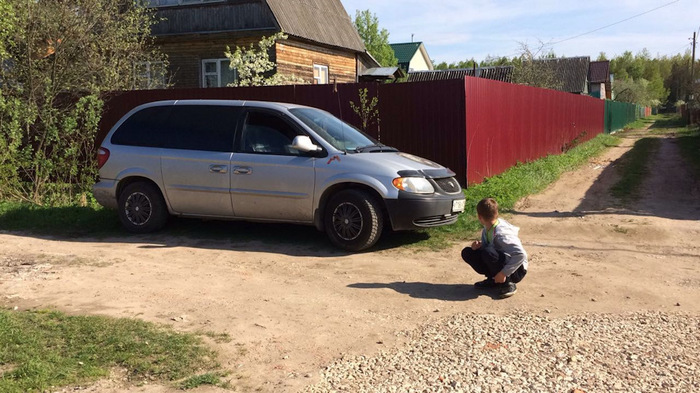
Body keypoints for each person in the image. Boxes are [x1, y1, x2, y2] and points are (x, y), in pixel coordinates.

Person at [461, 198, 528, 298]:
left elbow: (521, 255)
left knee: (488, 253)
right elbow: (489, 246)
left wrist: (503, 273)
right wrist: (478, 246)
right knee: (468, 252)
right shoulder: (488, 228)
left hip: (517, 270)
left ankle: (508, 283)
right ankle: (493, 280)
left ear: (479, 216)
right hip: (503, 262)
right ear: (496, 213)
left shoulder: (502, 235)